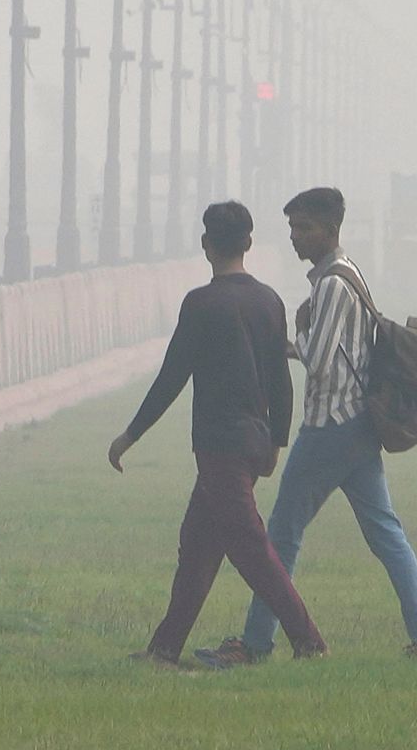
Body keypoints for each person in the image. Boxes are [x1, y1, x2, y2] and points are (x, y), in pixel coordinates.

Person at [206, 186, 417, 664]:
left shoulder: (333, 285)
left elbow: (317, 361)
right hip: (358, 425)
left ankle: (255, 644)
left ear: (330, 230)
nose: (295, 237)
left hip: (331, 426)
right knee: (385, 533)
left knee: (281, 537)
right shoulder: (347, 274)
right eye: (292, 227)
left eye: (305, 228)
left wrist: (297, 329)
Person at [108, 200, 325, 663]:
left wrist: (130, 435)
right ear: (248, 244)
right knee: (198, 550)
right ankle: (164, 649)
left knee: (251, 550)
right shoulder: (268, 301)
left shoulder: (201, 304)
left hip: (218, 447)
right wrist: (276, 442)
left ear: (206, 245)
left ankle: (309, 642)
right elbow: (280, 379)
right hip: (252, 441)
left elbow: (171, 378)